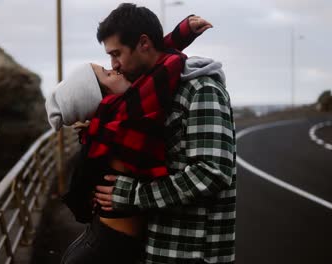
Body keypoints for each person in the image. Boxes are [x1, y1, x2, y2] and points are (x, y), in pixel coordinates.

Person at [45, 5, 211, 264]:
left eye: (114, 57)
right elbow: (163, 66)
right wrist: (182, 33)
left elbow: (153, 57)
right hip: (108, 250)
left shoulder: (108, 120)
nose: (115, 68)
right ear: (102, 96)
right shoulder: (125, 117)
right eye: (107, 72)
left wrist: (182, 33)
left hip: (100, 240)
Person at [93, 3, 237, 264]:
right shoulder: (151, 88)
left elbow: (212, 172)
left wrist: (133, 195)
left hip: (193, 252)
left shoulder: (201, 89)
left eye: (117, 54)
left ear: (144, 43)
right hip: (157, 247)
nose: (113, 65)